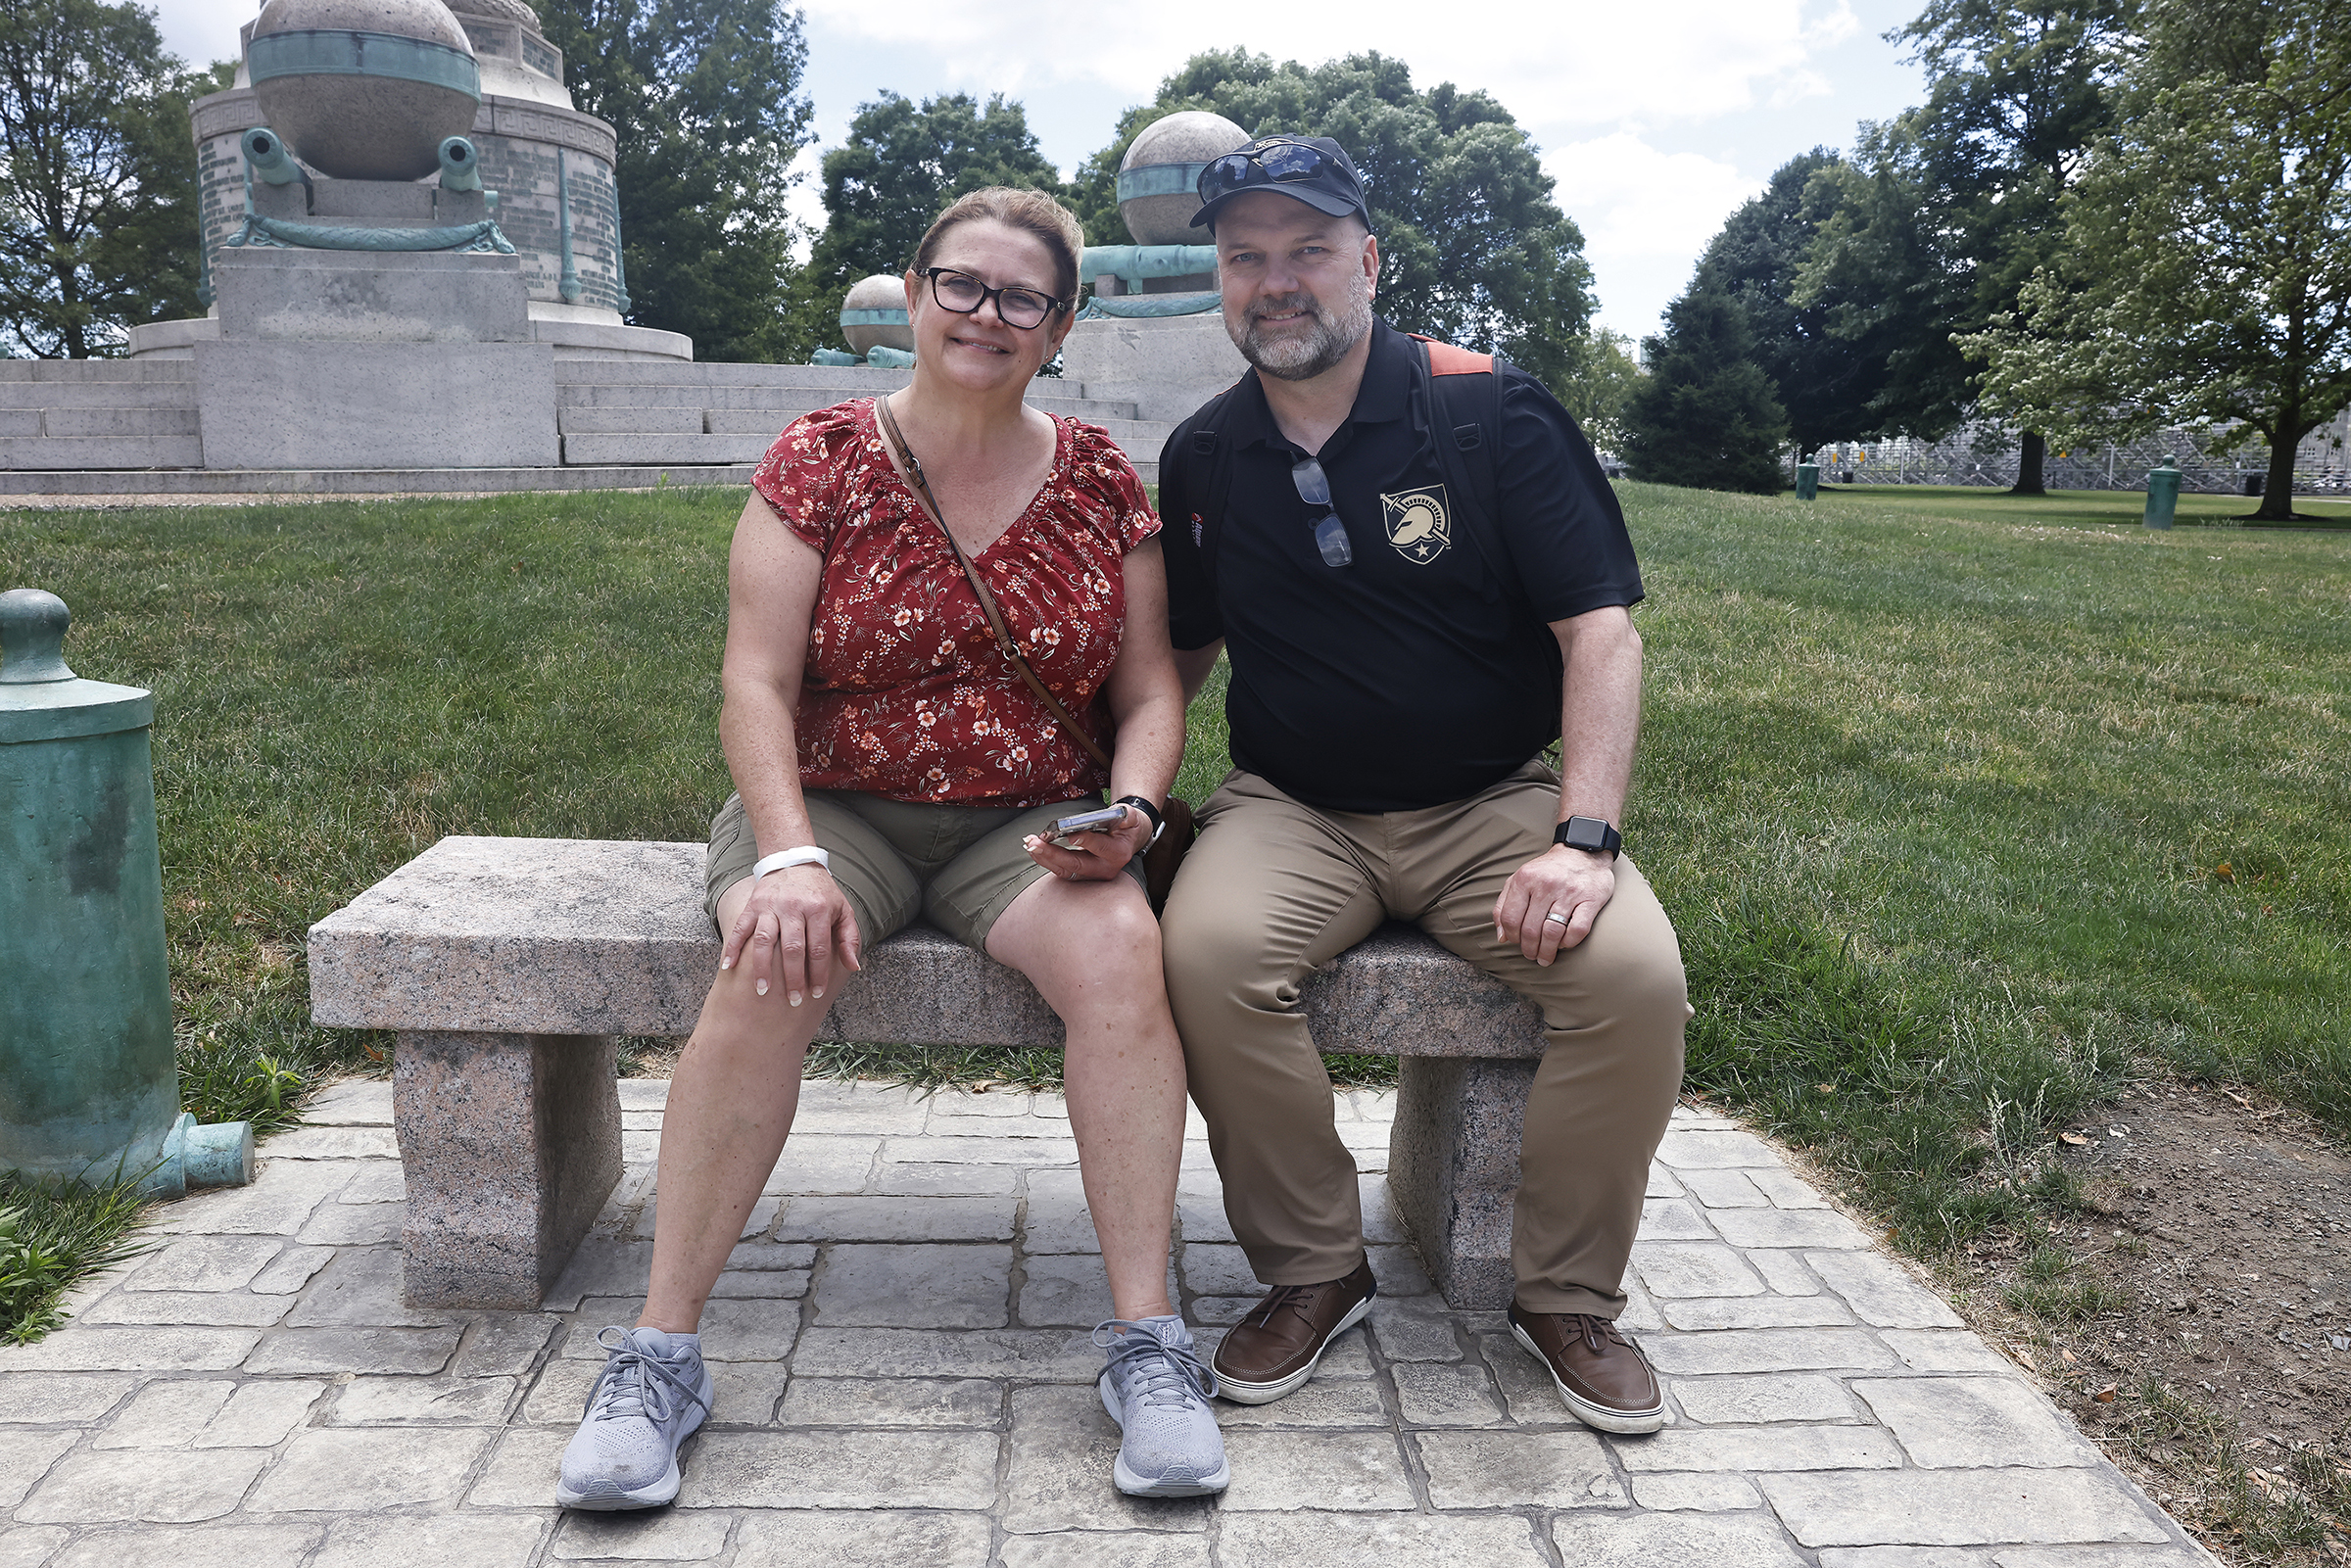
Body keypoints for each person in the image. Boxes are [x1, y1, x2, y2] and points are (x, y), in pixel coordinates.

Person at [556, 187, 1227, 1509]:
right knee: (770, 953)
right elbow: (754, 682)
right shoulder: (821, 458)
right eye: (961, 284)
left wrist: (1136, 815)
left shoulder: (1100, 479)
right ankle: (659, 1351)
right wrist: (786, 855)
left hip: (1029, 819)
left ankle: (1148, 1344)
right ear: (915, 294)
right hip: (833, 803)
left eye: (1021, 295)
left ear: (1062, 323)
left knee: (1122, 957)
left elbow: (1153, 693)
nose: (987, 313)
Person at [1155, 138, 1690, 1432]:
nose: (1276, 282)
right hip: (1293, 807)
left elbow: (1599, 635)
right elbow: (1174, 657)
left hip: (1491, 805)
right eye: (1245, 258)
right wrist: (1137, 794)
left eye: (1308, 251)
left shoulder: (1491, 412)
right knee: (1209, 951)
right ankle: (1313, 1268)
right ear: (1220, 282)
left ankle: (1564, 1292)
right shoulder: (1205, 456)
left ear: (1370, 261)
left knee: (1633, 979)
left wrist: (1584, 837)